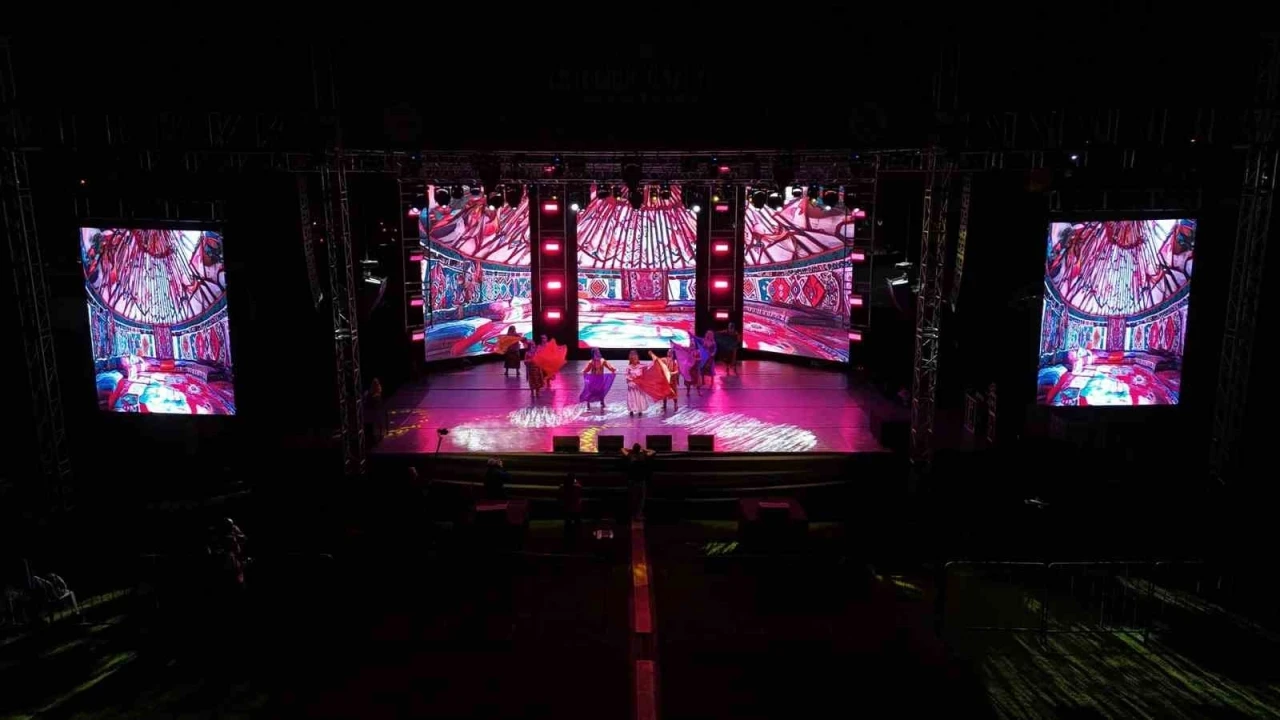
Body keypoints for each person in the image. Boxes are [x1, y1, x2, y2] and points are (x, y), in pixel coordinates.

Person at [621, 443, 656, 520]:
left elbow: (622, 449)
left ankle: (632, 515)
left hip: (632, 481)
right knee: (641, 500)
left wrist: (631, 450)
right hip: (641, 480)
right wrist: (644, 450)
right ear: (639, 449)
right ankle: (638, 515)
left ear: (633, 449)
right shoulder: (644, 455)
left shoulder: (630, 455)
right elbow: (653, 451)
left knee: (632, 498)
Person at [625, 350, 651, 417]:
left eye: (636, 358)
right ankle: (631, 410)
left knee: (639, 398)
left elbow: (649, 367)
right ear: (631, 359)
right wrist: (631, 381)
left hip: (639, 385)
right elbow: (627, 376)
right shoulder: (628, 367)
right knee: (632, 398)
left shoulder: (641, 366)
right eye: (633, 359)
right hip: (632, 386)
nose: (634, 360)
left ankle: (640, 410)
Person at [562, 473, 584, 545]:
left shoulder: (564, 487)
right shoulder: (577, 487)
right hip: (574, 510)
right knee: (576, 523)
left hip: (569, 509)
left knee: (568, 524)